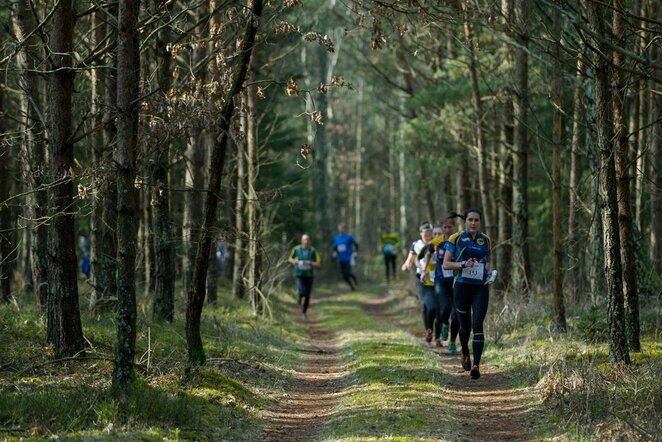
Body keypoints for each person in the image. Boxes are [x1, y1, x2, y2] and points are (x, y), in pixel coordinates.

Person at [443, 208, 497, 380]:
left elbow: (488, 261)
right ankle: (465, 351)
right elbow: (446, 264)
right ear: (465, 221)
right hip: (461, 287)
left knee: (478, 324)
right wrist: (463, 265)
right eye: (470, 220)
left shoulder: (486, 239)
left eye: (476, 220)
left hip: (480, 288)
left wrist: (491, 273)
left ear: (480, 222)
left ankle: (476, 365)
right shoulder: (456, 238)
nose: (473, 223)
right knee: (464, 327)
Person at [421, 215, 461, 354]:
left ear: (454, 228)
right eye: (445, 227)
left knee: (456, 315)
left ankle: (452, 342)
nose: (447, 229)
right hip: (441, 281)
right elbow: (428, 255)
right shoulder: (437, 242)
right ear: (442, 228)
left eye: (450, 227)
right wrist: (424, 271)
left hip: (457, 282)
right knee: (444, 309)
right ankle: (444, 324)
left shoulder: (460, 240)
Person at [401, 222, 436, 343]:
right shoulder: (416, 244)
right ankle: (429, 330)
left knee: (434, 307)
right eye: (425, 233)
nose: (428, 235)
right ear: (421, 234)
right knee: (425, 305)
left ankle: (435, 331)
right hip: (421, 278)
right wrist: (406, 266)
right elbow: (410, 260)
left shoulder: (436, 243)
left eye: (429, 233)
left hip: (437, 278)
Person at [288, 234, 321, 320]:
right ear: (301, 241)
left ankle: (304, 313)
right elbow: (290, 259)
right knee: (302, 291)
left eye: (307, 240)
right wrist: (295, 261)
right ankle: (299, 296)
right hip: (299, 274)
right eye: (304, 240)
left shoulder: (313, 251)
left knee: (307, 295)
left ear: (309, 241)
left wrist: (310, 263)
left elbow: (318, 263)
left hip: (309, 275)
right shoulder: (296, 249)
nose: (306, 241)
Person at [331, 223, 359, 290]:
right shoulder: (336, 237)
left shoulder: (349, 237)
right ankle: (352, 286)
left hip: (348, 258)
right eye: (339, 228)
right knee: (344, 276)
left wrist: (355, 252)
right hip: (340, 259)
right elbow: (335, 248)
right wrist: (334, 254)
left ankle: (354, 278)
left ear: (345, 229)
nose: (341, 230)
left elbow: (356, 244)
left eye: (342, 228)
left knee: (346, 273)